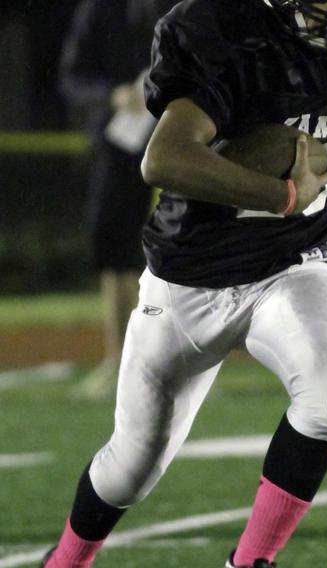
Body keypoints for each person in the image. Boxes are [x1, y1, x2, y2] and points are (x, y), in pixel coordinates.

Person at [42, 0, 327, 567]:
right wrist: (281, 195)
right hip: (189, 278)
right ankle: (63, 561)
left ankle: (249, 562)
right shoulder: (232, 33)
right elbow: (161, 159)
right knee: (130, 469)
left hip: (290, 262)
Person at [58, 0, 179, 400]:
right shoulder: (100, 10)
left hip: (180, 141)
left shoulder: (181, 7)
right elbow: (73, 76)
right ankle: (120, 357)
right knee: (115, 247)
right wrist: (113, 96)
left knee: (182, 251)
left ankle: (181, 364)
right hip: (118, 144)